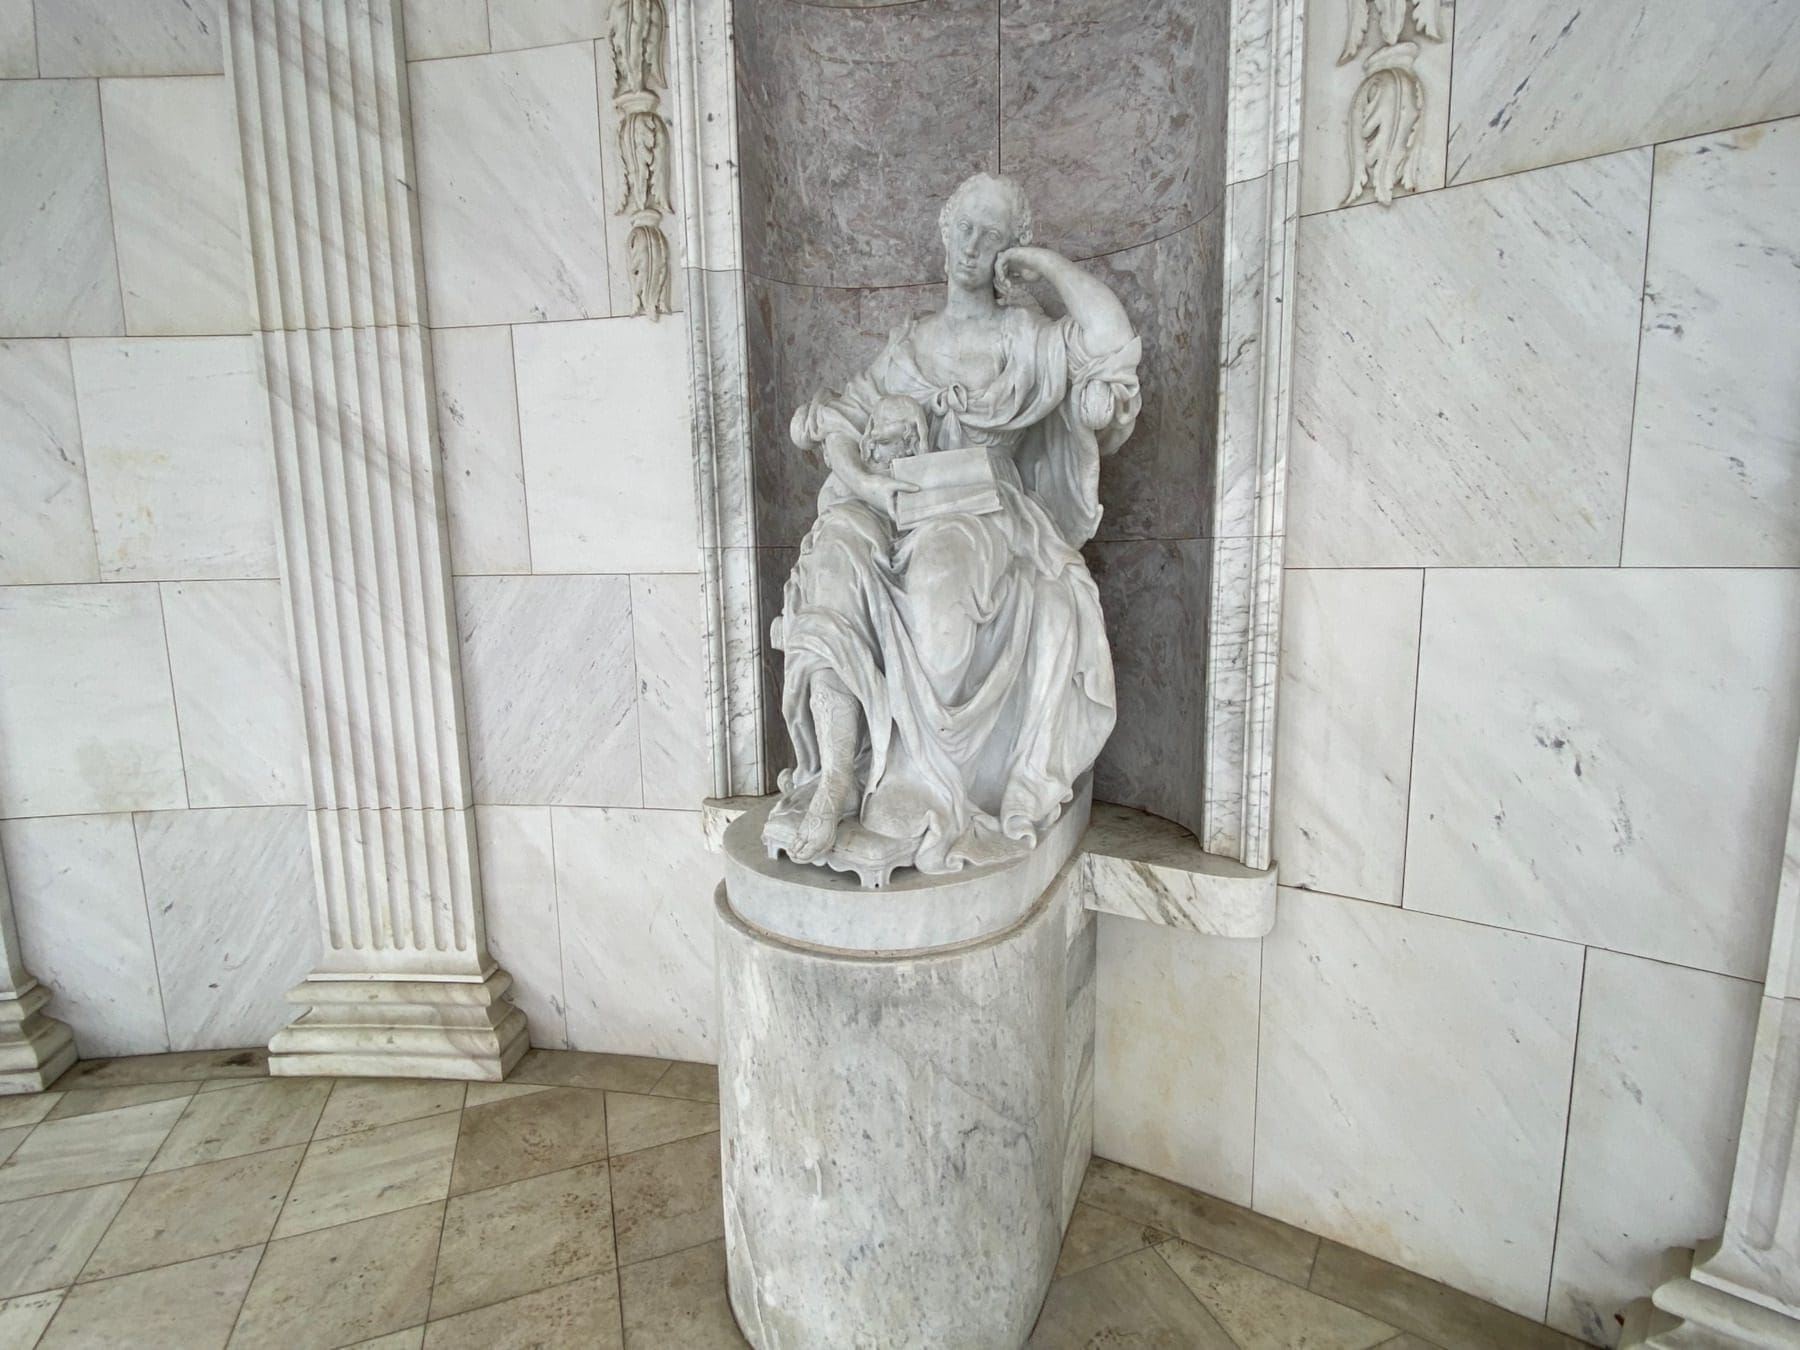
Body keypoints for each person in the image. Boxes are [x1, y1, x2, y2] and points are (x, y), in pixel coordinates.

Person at [765, 172, 1142, 884]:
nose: (972, 245)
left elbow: (1111, 342)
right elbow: (838, 421)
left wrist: (1041, 268)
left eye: (992, 235)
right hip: (891, 503)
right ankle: (838, 774)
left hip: (978, 512)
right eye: (964, 227)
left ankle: (920, 791)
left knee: (940, 582)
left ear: (1008, 250)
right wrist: (867, 482)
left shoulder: (1025, 340)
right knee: (835, 554)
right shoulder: (910, 345)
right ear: (943, 232)